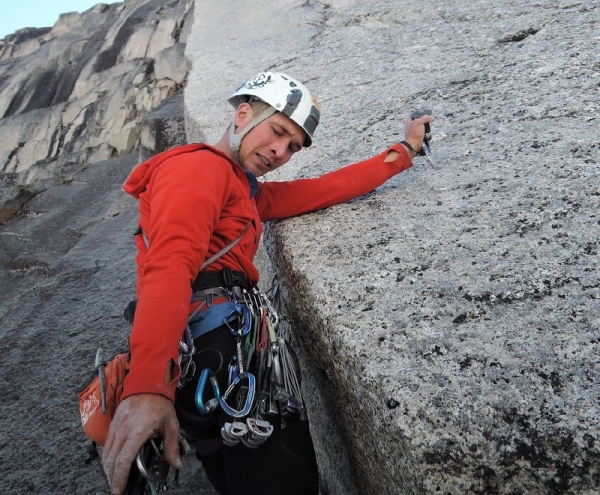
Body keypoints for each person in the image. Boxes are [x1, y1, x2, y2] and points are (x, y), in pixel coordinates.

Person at [101, 71, 434, 495]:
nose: (280, 151)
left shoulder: (244, 192)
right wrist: (148, 386)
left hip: (210, 359)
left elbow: (323, 189)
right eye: (277, 132)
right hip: (227, 358)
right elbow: (169, 265)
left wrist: (404, 150)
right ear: (243, 115)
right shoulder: (199, 167)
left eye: (293, 146)